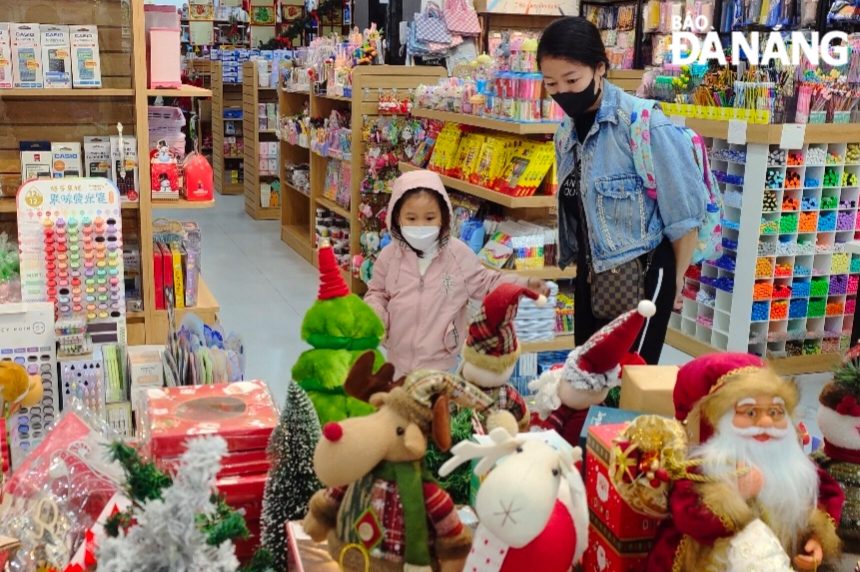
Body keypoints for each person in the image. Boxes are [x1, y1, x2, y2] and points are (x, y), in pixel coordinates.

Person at [538, 17, 710, 364]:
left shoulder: (644, 125)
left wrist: (674, 285)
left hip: (644, 277)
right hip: (592, 277)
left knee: (628, 382)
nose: (562, 92)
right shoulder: (565, 135)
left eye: (572, 79)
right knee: (588, 377)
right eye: (551, 83)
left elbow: (686, 217)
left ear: (600, 68)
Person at [646, 353, 844, 572]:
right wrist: (736, 496)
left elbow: (826, 492)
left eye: (775, 412)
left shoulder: (790, 462)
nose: (766, 422)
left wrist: (817, 538)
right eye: (750, 412)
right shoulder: (702, 469)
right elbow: (688, 516)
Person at [365, 169, 546, 378]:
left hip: (442, 363)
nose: (421, 226)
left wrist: (523, 285)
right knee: (402, 409)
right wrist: (375, 313)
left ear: (443, 217)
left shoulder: (457, 255)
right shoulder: (389, 257)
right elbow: (377, 292)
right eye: (411, 218)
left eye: (429, 218)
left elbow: (486, 282)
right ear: (397, 218)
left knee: (439, 409)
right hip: (397, 360)